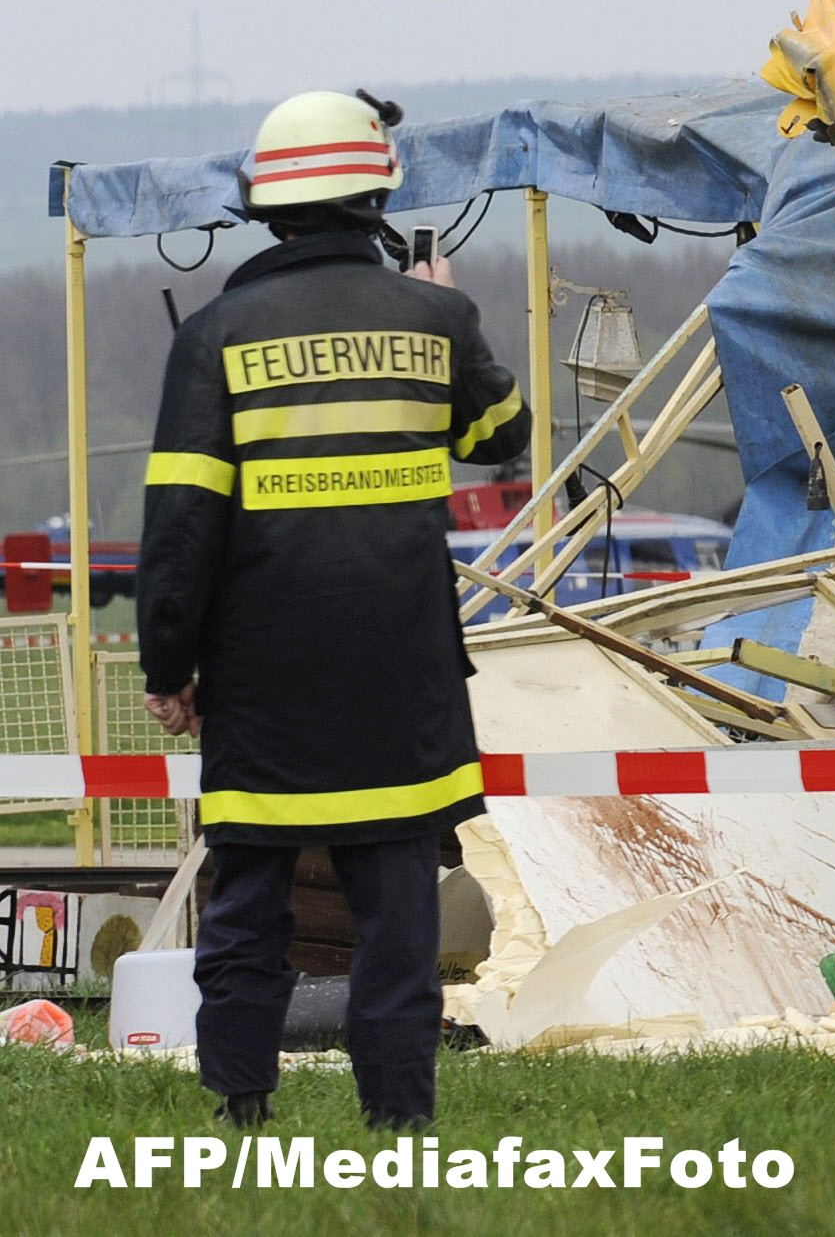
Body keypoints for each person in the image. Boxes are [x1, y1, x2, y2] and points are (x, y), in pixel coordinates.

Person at [138, 90, 528, 1131]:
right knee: (397, 913)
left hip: (263, 677)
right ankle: (397, 1117)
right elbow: (503, 434)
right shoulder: (434, 320)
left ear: (268, 204)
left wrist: (168, 666)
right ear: (376, 193)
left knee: (248, 901)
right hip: (401, 676)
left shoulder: (217, 334)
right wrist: (450, 306)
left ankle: (240, 1103)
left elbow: (181, 526)